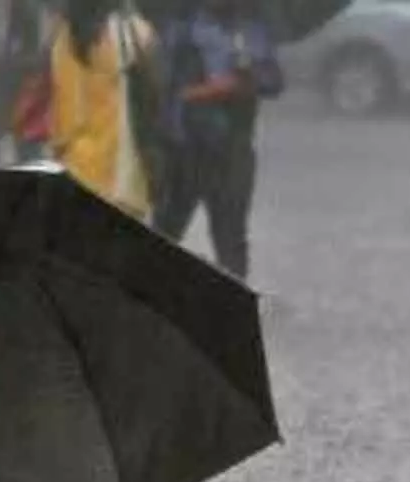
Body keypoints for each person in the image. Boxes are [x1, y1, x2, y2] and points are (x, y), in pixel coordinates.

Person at [153, 0, 283, 280]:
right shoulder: (181, 27)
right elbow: (161, 86)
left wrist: (244, 80)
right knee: (164, 233)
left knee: (231, 241)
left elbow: (273, 81)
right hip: (183, 150)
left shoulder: (251, 28)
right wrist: (202, 93)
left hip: (231, 151)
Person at [48, 0, 158, 221]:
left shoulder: (68, 37)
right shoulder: (132, 31)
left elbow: (65, 105)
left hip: (80, 160)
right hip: (125, 163)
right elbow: (153, 81)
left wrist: (59, 149)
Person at [0, 0, 53, 164]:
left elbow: (47, 53)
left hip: (30, 81)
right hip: (0, 78)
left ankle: (27, 165)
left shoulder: (40, 15)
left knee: (28, 138)